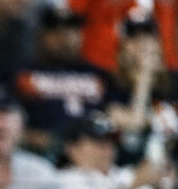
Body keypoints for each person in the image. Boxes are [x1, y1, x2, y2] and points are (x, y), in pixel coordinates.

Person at [14, 7, 110, 151]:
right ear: (41, 35)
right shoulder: (23, 74)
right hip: (43, 153)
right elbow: (6, 118)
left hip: (93, 152)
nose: (65, 37)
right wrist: (35, 138)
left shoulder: (99, 75)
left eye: (72, 30)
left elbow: (116, 113)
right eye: (56, 31)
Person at [56, 112, 174, 189]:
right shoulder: (63, 181)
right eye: (99, 142)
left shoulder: (128, 175)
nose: (108, 148)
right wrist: (134, 186)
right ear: (72, 148)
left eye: (111, 141)